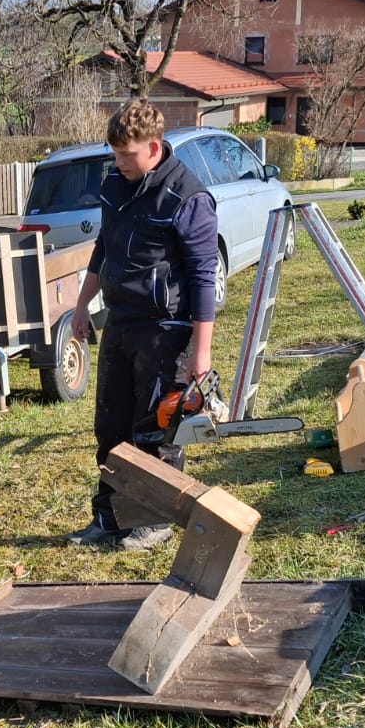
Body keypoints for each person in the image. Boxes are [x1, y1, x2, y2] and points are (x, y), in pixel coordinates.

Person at [67, 99, 218, 550]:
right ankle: (110, 518)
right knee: (111, 428)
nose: (119, 162)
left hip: (166, 329)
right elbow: (104, 247)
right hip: (120, 322)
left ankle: (154, 520)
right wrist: (82, 304)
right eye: (115, 154)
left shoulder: (188, 198)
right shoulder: (115, 185)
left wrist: (201, 352)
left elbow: (203, 277)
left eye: (127, 155)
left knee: (153, 429)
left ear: (154, 148)